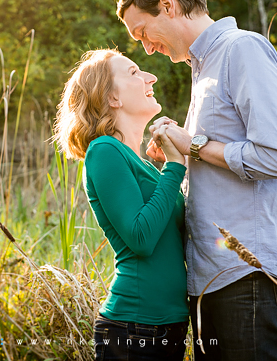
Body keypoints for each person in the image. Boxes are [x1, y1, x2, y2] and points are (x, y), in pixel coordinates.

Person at [116, 0, 277, 361]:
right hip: (210, 280)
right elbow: (219, 168)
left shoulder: (242, 49)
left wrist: (195, 145)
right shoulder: (202, 71)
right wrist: (178, 155)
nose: (147, 48)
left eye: (143, 33)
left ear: (168, 5)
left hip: (247, 276)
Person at [54, 49, 189, 361]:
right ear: (112, 97)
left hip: (167, 326)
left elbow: (170, 235)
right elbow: (140, 238)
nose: (150, 77)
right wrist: (174, 166)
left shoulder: (137, 161)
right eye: (133, 72)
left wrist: (169, 168)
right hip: (134, 329)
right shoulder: (103, 150)